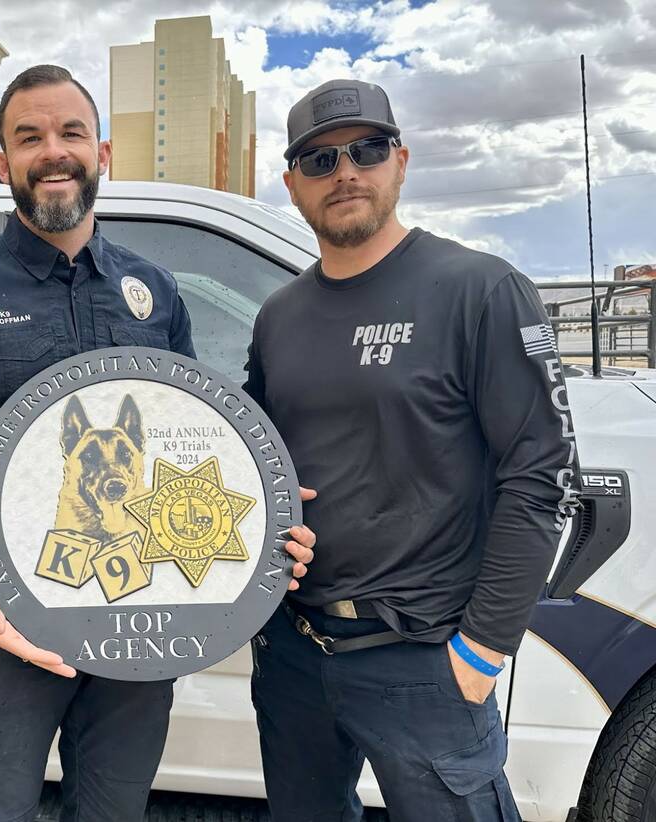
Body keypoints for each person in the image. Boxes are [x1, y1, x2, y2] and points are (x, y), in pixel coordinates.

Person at [0, 64, 317, 822]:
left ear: (102, 152)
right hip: (8, 621)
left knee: (113, 809)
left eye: (71, 133)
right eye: (30, 137)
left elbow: (185, 440)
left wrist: (263, 517)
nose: (54, 152)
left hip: (138, 614)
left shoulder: (153, 290)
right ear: (4, 164)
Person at [244, 78, 581, 821]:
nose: (346, 173)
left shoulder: (480, 290)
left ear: (400, 160)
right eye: (321, 160)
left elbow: (543, 474)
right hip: (296, 652)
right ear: (293, 182)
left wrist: (483, 648)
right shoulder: (279, 317)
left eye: (366, 150)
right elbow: (255, 461)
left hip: (425, 657)